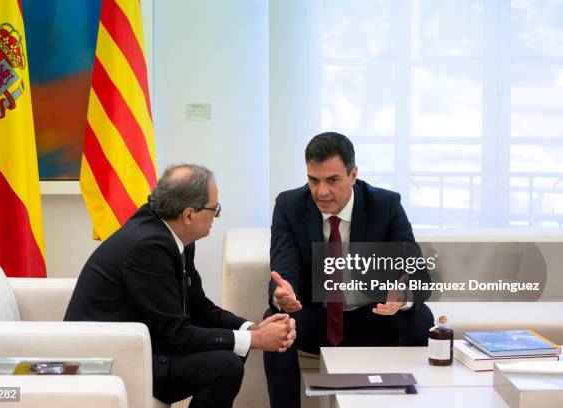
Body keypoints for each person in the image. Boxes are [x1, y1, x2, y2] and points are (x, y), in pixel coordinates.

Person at [65, 164, 296, 408]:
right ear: (188, 215)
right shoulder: (148, 247)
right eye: (214, 208)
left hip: (141, 346)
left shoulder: (176, 234)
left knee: (233, 351)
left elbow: (199, 307)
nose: (217, 215)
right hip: (108, 360)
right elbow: (175, 335)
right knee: (225, 365)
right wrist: (254, 339)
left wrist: (251, 328)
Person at [263, 132, 434, 408]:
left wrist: (400, 295)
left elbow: (419, 276)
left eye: (332, 180)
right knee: (277, 323)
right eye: (313, 180)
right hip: (315, 316)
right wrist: (283, 295)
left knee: (420, 318)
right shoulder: (288, 205)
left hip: (373, 315)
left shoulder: (385, 205)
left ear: (353, 174)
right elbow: (284, 269)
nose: (322, 192)